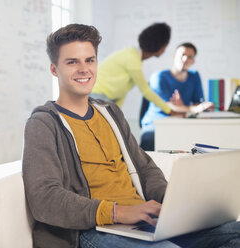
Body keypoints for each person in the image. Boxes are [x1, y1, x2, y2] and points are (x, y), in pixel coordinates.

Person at [22, 24, 240, 248]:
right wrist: (117, 212)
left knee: (235, 232)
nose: (84, 69)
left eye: (90, 60)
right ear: (54, 69)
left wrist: (171, 205)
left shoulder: (110, 113)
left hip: (143, 222)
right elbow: (44, 198)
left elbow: (145, 168)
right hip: (94, 229)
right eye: (72, 62)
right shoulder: (43, 124)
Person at [91, 22, 181, 116]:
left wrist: (117, 115)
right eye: (165, 45)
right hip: (97, 96)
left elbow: (122, 91)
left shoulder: (133, 56)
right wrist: (170, 111)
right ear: (159, 45)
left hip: (103, 98)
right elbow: (146, 91)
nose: (165, 49)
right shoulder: (133, 60)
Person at [140, 42, 214, 151]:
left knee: (203, 139)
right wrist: (192, 108)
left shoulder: (194, 76)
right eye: (182, 55)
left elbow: (197, 103)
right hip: (156, 123)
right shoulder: (159, 76)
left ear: (193, 61)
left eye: (190, 57)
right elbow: (168, 107)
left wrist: (187, 107)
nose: (185, 59)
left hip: (180, 122)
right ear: (174, 56)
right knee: (151, 139)